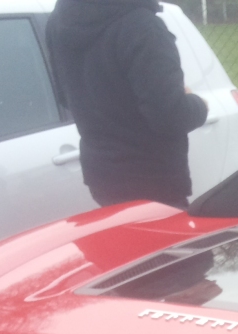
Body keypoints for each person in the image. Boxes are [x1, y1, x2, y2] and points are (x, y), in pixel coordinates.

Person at [47, 0, 208, 209]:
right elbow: (170, 115)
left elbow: (65, 97)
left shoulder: (59, 21)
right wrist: (199, 104)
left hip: (102, 177)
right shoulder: (142, 26)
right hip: (154, 181)